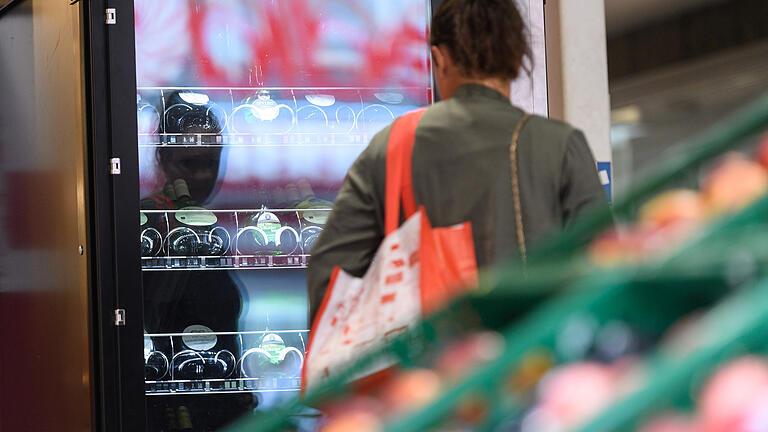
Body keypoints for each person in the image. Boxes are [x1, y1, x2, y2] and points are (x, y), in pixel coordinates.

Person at [306, 0, 609, 324]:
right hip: (537, 361)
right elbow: (605, 264)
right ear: (518, 59)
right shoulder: (561, 145)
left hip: (434, 370)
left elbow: (330, 275)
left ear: (440, 59)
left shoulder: (391, 146)